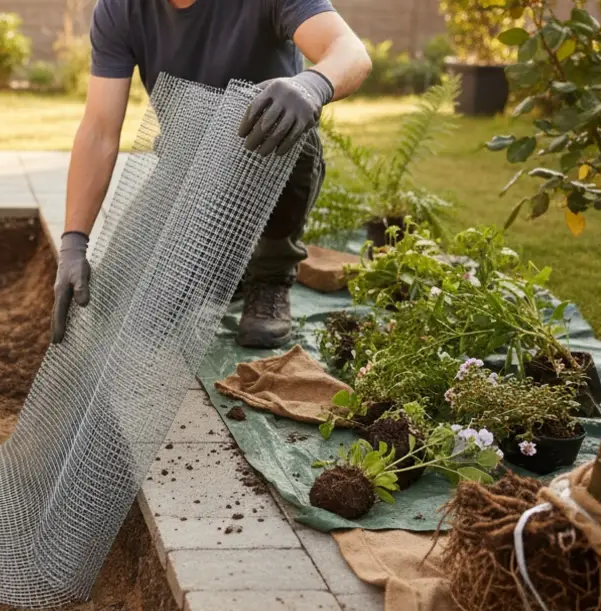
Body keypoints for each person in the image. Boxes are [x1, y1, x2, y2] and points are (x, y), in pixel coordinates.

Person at [51, 0, 371, 349]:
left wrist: (312, 85)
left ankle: (271, 276)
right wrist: (73, 243)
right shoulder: (119, 9)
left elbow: (351, 51)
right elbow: (99, 129)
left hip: (267, 149)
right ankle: (227, 271)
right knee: (116, 309)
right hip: (185, 167)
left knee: (298, 135)